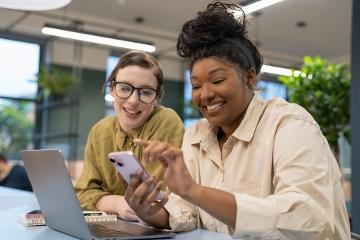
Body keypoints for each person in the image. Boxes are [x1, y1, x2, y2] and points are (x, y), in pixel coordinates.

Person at [123, 2, 351, 239]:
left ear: (250, 77)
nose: (206, 94)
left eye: (218, 80)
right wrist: (148, 211)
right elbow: (186, 211)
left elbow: (307, 220)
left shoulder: (290, 125)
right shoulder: (196, 135)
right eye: (196, 86)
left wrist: (194, 190)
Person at [74, 51, 184, 221]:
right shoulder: (99, 131)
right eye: (125, 88)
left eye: (146, 92)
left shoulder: (166, 121)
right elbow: (83, 192)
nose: (133, 100)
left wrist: (105, 202)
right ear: (112, 89)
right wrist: (116, 204)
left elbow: (156, 198)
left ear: (156, 98)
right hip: (115, 226)